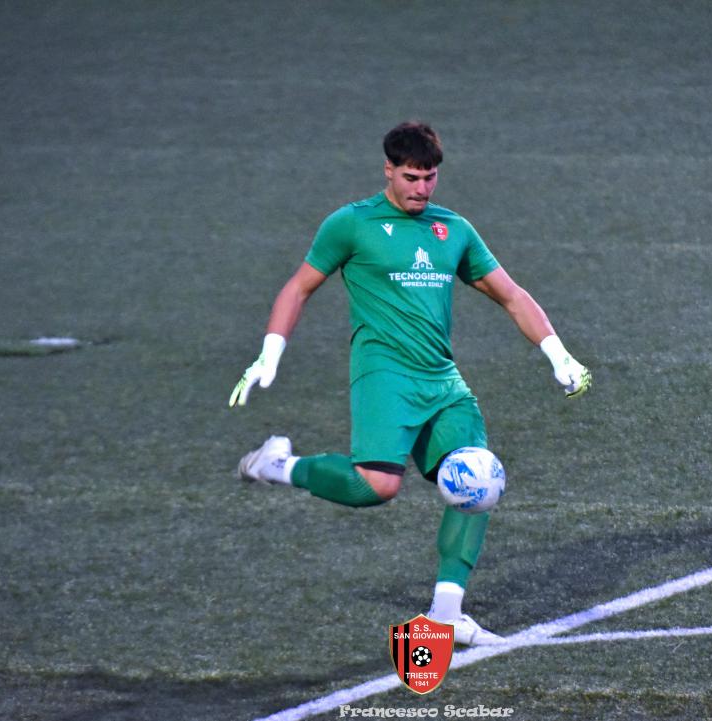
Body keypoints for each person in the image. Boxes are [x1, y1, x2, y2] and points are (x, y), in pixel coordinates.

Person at [229, 122, 591, 646]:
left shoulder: (453, 229)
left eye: (430, 178)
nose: (422, 189)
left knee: (478, 480)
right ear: (389, 171)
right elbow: (299, 287)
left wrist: (558, 354)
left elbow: (511, 294)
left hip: (442, 380)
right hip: (384, 377)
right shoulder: (351, 224)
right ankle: (278, 465)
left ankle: (446, 613)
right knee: (376, 487)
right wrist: (270, 352)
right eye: (411, 177)